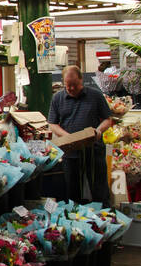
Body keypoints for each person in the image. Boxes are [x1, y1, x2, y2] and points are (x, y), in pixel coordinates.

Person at [48, 65, 115, 205]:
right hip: (70, 152)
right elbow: (52, 124)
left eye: (75, 85)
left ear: (81, 80)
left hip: (93, 150)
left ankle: (104, 217)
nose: (71, 88)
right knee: (72, 190)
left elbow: (108, 119)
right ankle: (77, 218)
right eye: (68, 85)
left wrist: (99, 131)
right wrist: (67, 137)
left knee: (99, 188)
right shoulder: (57, 98)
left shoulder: (95, 95)